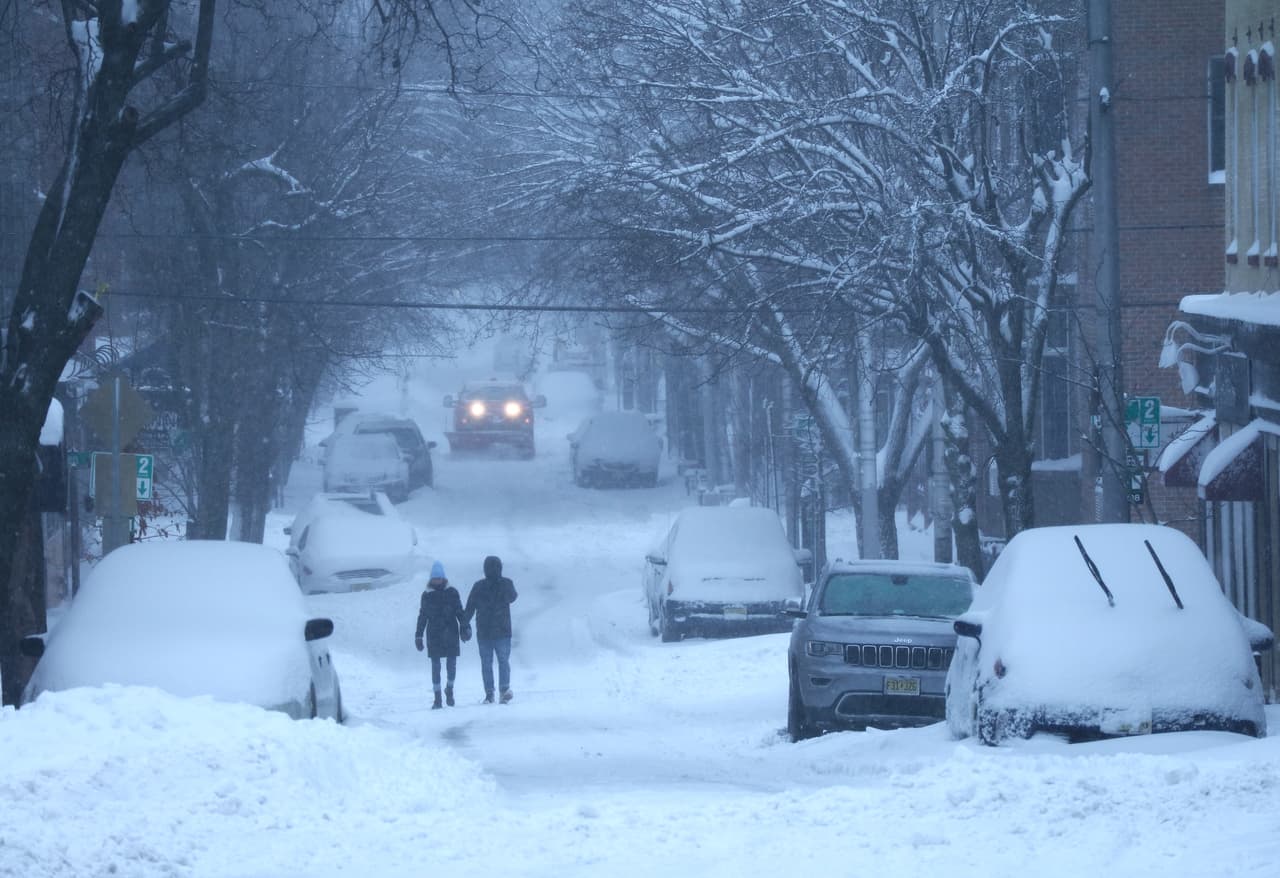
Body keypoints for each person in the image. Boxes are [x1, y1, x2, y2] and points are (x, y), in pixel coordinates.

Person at [415, 560, 470, 709]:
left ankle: (449, 689)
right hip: (434, 634)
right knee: (435, 666)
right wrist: (418, 635)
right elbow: (423, 616)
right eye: (434, 578)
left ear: (443, 578)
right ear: (431, 579)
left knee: (451, 665)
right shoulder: (426, 595)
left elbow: (459, 611)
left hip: (450, 632)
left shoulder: (452, 592)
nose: (437, 580)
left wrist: (465, 627)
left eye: (439, 577)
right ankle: (437, 698)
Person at [463, 554, 518, 704]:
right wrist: (464, 625)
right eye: (491, 568)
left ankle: (503, 690)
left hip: (499, 631)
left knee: (501, 661)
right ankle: (490, 693)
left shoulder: (505, 584)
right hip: (487, 631)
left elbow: (513, 597)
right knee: (490, 663)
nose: (493, 570)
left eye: (496, 568)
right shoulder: (479, 586)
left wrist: (464, 624)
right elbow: (469, 608)